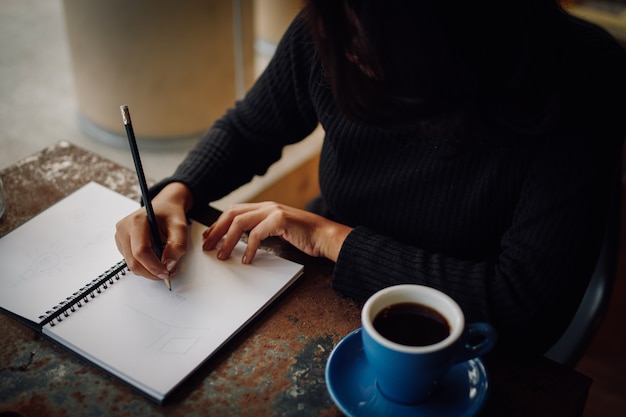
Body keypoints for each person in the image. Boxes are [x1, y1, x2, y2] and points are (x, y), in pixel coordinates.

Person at [115, 0, 626, 357]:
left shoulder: (581, 78)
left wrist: (327, 236)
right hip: (335, 283)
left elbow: (521, 304)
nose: (348, 52)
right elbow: (253, 127)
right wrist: (176, 193)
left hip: (460, 330)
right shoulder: (337, 21)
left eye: (368, 43)